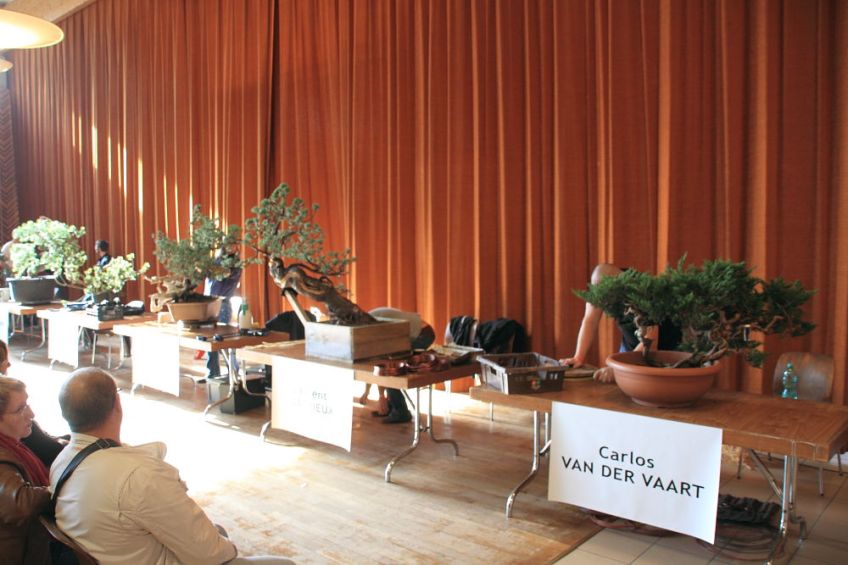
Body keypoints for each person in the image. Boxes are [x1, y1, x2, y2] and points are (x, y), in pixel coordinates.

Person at [50, 367, 291, 564]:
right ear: (118, 404)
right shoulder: (141, 475)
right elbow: (212, 554)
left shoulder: (61, 461)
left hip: (112, 551)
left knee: (216, 531)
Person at [560, 264, 681, 383]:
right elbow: (590, 320)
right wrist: (578, 357)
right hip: (631, 345)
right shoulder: (600, 286)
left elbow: (650, 342)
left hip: (664, 349)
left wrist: (618, 369)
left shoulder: (644, 292)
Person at [0, 358, 52, 563]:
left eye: (27, 404)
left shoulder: (15, 446)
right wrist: (60, 489)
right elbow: (21, 504)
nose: (31, 414)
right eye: (20, 409)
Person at [205, 244, 243, 379]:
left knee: (223, 340)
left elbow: (224, 274)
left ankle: (233, 371)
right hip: (209, 303)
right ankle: (213, 372)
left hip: (222, 304)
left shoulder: (234, 266)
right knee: (209, 340)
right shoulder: (215, 263)